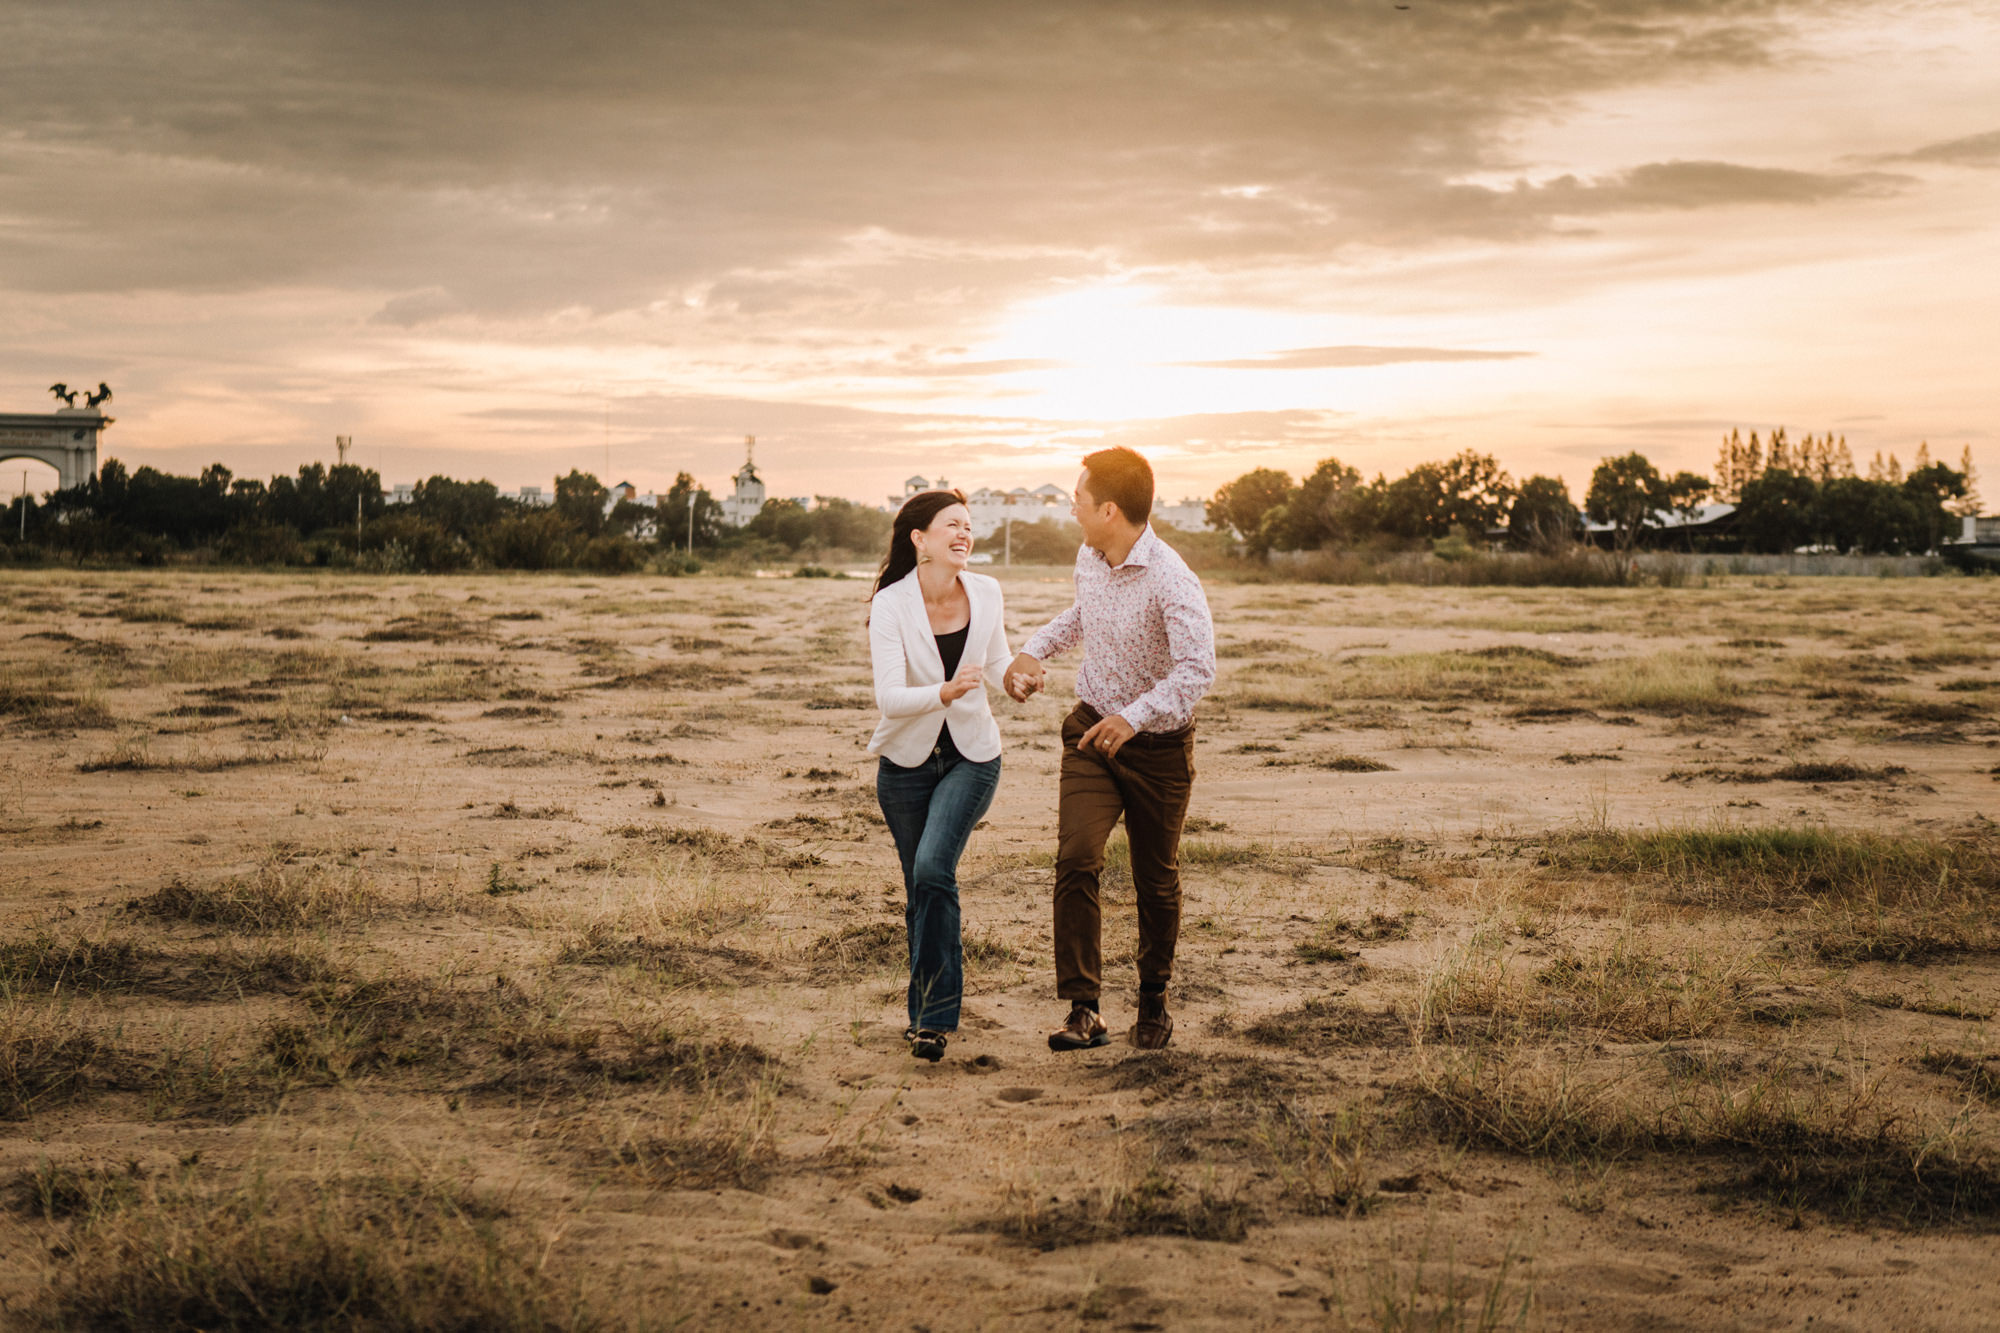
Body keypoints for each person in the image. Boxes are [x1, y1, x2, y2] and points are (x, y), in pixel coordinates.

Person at [1006, 447, 1215, 1052]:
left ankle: (1153, 1001)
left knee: (1155, 881)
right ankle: (1084, 1008)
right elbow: (1083, 615)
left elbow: (1197, 670)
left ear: (1109, 509)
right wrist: (1034, 649)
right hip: (1092, 732)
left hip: (1159, 751)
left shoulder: (1174, 578)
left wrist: (1136, 716)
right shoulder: (1089, 556)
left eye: (1078, 498)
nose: (1070, 506)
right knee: (1076, 858)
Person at [867, 489, 1014, 1062]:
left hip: (972, 757)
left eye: (969, 526)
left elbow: (996, 661)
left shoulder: (987, 590)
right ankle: (924, 1017)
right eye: (951, 525)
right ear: (919, 540)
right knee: (921, 890)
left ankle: (934, 1019)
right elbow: (889, 696)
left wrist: (1015, 682)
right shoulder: (891, 604)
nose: (964, 534)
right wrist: (943, 692)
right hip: (904, 764)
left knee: (933, 869)